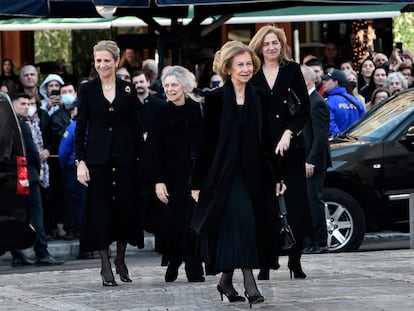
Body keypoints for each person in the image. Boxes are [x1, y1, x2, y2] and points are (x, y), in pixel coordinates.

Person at [191, 40, 286, 307]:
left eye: (248, 64)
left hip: (255, 176)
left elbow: (267, 140)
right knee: (241, 222)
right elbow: (206, 143)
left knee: (242, 227)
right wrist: (196, 182)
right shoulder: (215, 99)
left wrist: (277, 177)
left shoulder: (260, 97)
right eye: (239, 64)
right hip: (223, 176)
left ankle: (224, 282)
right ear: (228, 68)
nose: (245, 69)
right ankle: (250, 285)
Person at [75, 40, 144, 286]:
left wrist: (143, 159)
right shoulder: (87, 90)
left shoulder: (128, 89)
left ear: (116, 62)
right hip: (97, 161)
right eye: (98, 60)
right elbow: (80, 129)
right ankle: (105, 264)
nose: (102, 65)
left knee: (125, 209)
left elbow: (136, 126)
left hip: (125, 160)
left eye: (107, 60)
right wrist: (80, 162)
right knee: (100, 212)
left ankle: (121, 259)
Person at [249, 25, 311, 280]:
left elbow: (304, 108)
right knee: (266, 206)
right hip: (262, 148)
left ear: (281, 45)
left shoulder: (292, 70)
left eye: (275, 42)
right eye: (266, 43)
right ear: (259, 47)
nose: (271, 47)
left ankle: (295, 262)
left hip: (291, 147)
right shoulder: (251, 72)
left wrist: (289, 133)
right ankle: (265, 263)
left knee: (295, 205)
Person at [142, 65, 204, 283]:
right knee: (174, 224)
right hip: (170, 179)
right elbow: (153, 152)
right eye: (166, 85)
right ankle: (175, 259)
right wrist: (157, 181)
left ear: (185, 87)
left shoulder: (199, 110)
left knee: (192, 223)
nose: (169, 89)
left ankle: (194, 269)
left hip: (195, 177)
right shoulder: (160, 114)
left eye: (174, 85)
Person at [11, 93, 64, 266]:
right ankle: (42, 252)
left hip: (13, 177)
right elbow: (33, 153)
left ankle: (17, 253)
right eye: (23, 103)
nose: (27, 106)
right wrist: (39, 170)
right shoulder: (22, 126)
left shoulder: (8, 125)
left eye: (28, 103)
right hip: (29, 176)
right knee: (36, 215)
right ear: (13, 105)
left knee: (17, 216)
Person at [300, 66, 332, 254]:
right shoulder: (307, 101)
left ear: (307, 81)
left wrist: (311, 161)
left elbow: (320, 137)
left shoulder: (317, 102)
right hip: (306, 160)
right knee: (307, 202)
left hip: (314, 162)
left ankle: (320, 242)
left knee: (314, 201)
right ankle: (310, 241)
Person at [322, 69, 365, 136]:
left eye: (327, 80)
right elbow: (364, 123)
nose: (324, 82)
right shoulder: (355, 101)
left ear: (336, 83)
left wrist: (341, 139)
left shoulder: (329, 102)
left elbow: (331, 127)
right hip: (356, 142)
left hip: (339, 144)